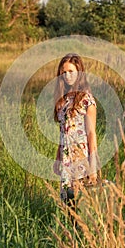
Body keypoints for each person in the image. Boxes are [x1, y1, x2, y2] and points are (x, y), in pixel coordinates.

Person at [53, 53, 100, 204]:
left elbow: (91, 134)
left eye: (71, 71)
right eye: (64, 73)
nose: (67, 76)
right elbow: (63, 134)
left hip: (81, 160)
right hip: (65, 161)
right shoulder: (63, 101)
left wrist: (93, 168)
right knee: (67, 205)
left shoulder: (86, 100)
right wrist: (57, 159)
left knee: (81, 206)